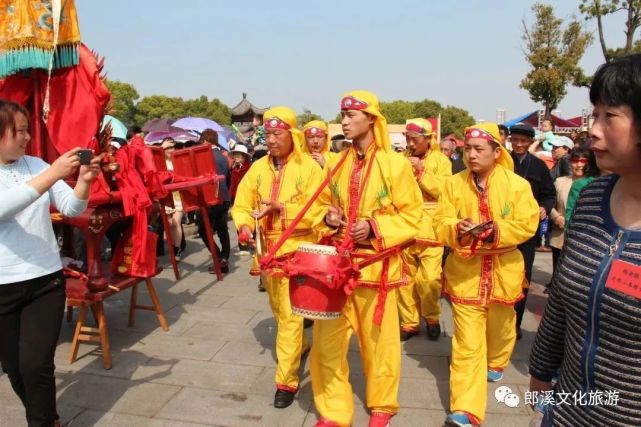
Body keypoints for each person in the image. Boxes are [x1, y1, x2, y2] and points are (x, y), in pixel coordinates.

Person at [529, 53, 641, 427]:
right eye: (595, 114)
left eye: (610, 116)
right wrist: (541, 370)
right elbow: (560, 297)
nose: (593, 129)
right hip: (568, 409)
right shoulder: (592, 197)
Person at [310, 90, 422, 427]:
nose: (344, 121)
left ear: (372, 119)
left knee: (379, 346)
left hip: (377, 270)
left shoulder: (395, 165)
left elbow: (414, 216)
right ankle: (333, 410)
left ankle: (382, 405)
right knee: (326, 343)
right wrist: (327, 216)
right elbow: (319, 205)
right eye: (342, 115)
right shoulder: (336, 163)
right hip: (338, 268)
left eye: (352, 115)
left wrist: (375, 227)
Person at [0, 100, 101, 427]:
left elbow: (71, 208)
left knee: (36, 366)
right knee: (14, 368)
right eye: (19, 131)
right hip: (3, 287)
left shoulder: (38, 165)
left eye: (27, 129)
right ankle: (48, 418)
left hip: (45, 281)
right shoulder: (47, 170)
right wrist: (54, 173)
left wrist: (83, 181)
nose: (27, 137)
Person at [433, 122, 539, 427]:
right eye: (468, 149)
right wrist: (457, 228)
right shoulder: (453, 185)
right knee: (466, 344)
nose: (472, 155)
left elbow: (527, 223)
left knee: (503, 329)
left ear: (496, 151)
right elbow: (440, 222)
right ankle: (466, 409)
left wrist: (497, 231)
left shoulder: (517, 185)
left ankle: (497, 360)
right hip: (466, 272)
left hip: (504, 270)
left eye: (479, 149)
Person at [231, 107, 323, 409]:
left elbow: (319, 211)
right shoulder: (257, 168)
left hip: (297, 254)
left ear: (292, 135)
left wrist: (282, 208)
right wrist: (244, 226)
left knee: (289, 318)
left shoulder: (309, 168)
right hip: (266, 254)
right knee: (280, 310)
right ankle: (303, 346)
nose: (270, 140)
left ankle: (286, 381)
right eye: (267, 134)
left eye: (276, 134)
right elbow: (242, 204)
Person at [397, 118, 451, 341]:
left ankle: (431, 317)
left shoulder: (441, 161)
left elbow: (445, 191)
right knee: (405, 279)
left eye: (415, 139)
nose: (410, 143)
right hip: (404, 227)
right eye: (408, 138)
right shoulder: (399, 159)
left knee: (428, 279)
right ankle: (409, 322)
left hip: (431, 228)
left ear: (428, 139)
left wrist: (421, 172)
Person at [509, 123, 556, 339]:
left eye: (523, 141)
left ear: (530, 143)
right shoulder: (501, 162)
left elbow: (549, 194)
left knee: (522, 278)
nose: (519, 144)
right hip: (503, 230)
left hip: (527, 233)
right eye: (515, 140)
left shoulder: (538, 166)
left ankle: (515, 323)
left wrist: (544, 208)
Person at [548, 149, 590, 281]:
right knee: (558, 265)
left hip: (584, 235)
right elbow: (550, 203)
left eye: (583, 161)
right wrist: (556, 217)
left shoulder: (593, 182)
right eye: (575, 161)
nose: (579, 165)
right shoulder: (560, 181)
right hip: (560, 231)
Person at [197, 129, 231, 274]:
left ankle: (218, 257)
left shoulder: (205, 156)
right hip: (224, 196)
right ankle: (224, 258)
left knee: (203, 229)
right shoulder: (224, 156)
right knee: (222, 228)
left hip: (211, 197)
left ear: (205, 141)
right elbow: (227, 178)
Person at [161, 138, 185, 259]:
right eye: (168, 148)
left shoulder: (179, 161)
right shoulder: (160, 163)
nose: (171, 150)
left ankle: (177, 249)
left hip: (178, 196)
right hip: (166, 196)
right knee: (170, 224)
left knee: (176, 222)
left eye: (172, 147)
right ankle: (174, 245)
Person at [228, 143, 252, 255]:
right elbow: (232, 185)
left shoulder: (250, 167)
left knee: (251, 222)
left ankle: (252, 245)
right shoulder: (234, 168)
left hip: (248, 199)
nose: (235, 158)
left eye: (238, 155)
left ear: (244, 156)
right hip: (236, 199)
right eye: (235, 155)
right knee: (239, 222)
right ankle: (242, 246)